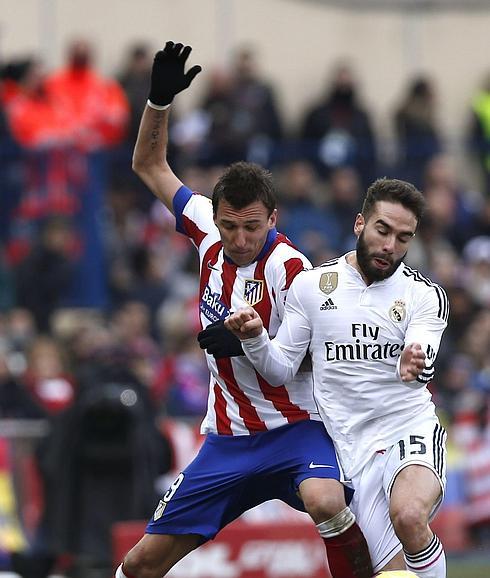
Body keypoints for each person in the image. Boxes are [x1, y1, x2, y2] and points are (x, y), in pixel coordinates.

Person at [115, 41, 373, 578]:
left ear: (273, 217)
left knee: (328, 502)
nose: (237, 238)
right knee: (140, 564)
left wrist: (253, 345)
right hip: (228, 441)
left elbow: (321, 361)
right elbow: (148, 164)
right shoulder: (206, 226)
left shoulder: (293, 271)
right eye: (229, 225)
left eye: (251, 226)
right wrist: (158, 100)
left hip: (296, 429)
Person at [226, 177, 449, 577]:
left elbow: (422, 355)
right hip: (350, 448)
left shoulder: (424, 295)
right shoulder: (312, 287)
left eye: (403, 237)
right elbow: (280, 370)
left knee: (410, 515)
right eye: (383, 230)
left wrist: (416, 364)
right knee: (393, 573)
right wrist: (257, 336)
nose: (389, 246)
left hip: (406, 427)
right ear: (359, 223)